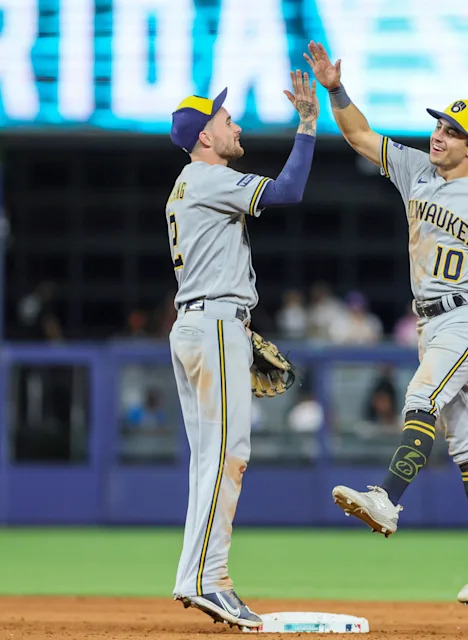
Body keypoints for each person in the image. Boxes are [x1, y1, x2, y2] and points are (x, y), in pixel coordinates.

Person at [304, 41, 468, 604]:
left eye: (451, 130)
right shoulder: (417, 168)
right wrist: (335, 89)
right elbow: (360, 136)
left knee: (422, 395)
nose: (438, 134)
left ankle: (388, 498)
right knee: (467, 444)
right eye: (438, 124)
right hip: (429, 323)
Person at [165, 71, 319, 629]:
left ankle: (194, 575)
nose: (234, 124)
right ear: (205, 137)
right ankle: (212, 579)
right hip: (213, 325)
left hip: (200, 324)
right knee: (228, 456)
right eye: (225, 119)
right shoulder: (207, 179)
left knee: (211, 460)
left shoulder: (187, 185)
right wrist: (307, 125)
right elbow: (287, 192)